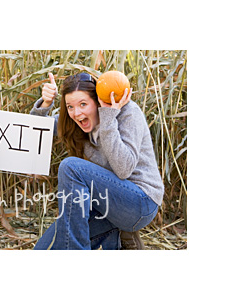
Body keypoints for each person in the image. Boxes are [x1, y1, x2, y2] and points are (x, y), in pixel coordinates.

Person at [30, 72, 164, 250]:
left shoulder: (128, 113)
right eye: (70, 106)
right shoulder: (74, 121)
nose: (77, 113)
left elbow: (124, 170)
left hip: (140, 202)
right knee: (43, 250)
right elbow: (34, 129)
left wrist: (108, 117)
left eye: (83, 104)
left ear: (97, 101)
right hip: (103, 206)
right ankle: (119, 239)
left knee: (71, 167)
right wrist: (45, 104)